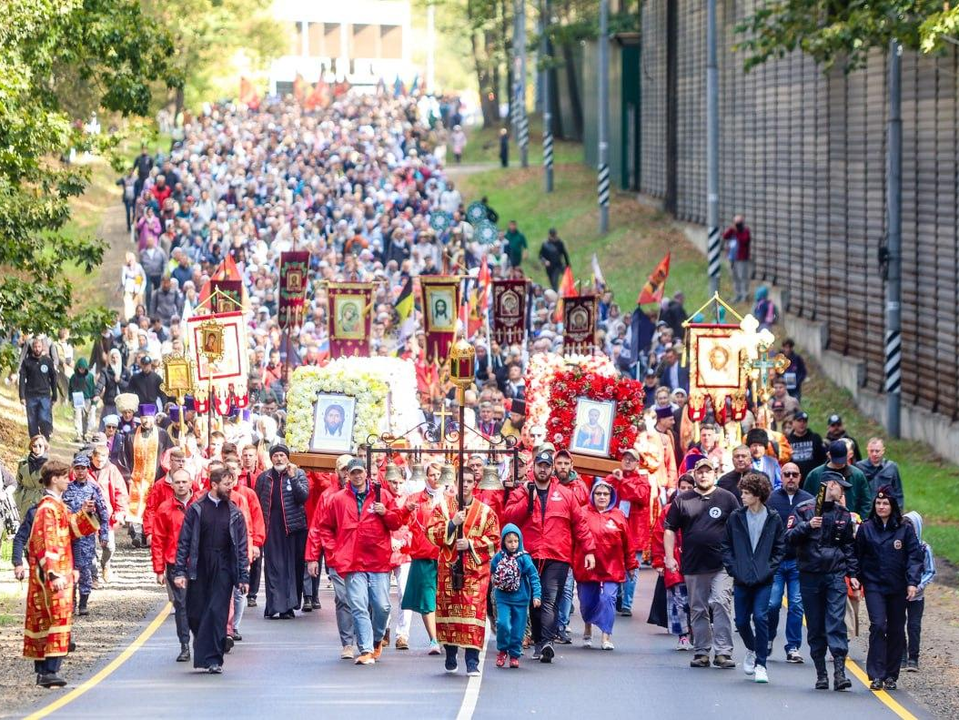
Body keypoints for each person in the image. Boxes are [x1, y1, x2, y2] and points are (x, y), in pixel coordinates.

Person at [312, 458, 410, 665]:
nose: (357, 476)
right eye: (352, 472)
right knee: (357, 605)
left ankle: (376, 639)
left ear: (366, 473)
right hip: (351, 560)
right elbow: (325, 527)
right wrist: (334, 552)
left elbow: (396, 523)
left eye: (360, 472)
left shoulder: (381, 495)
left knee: (382, 606)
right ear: (348, 474)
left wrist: (386, 513)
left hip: (378, 559)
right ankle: (365, 649)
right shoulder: (338, 499)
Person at [503, 450, 596, 663]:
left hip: (557, 554)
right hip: (528, 555)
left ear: (551, 468)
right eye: (540, 465)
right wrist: (528, 498)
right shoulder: (521, 491)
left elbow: (580, 524)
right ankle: (539, 641)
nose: (543, 469)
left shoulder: (565, 493)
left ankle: (547, 642)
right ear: (533, 468)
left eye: (547, 465)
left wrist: (589, 550)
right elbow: (508, 518)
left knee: (549, 599)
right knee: (532, 601)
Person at [23, 460, 100, 687]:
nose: (69, 479)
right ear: (54, 479)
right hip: (53, 574)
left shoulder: (58, 506)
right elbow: (46, 542)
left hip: (57, 572)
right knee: (56, 618)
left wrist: (84, 513)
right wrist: (54, 573)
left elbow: (72, 530)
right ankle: (49, 670)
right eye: (65, 476)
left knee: (48, 619)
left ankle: (45, 670)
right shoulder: (48, 508)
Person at [785, 470, 860, 691]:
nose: (843, 491)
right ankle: (821, 673)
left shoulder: (843, 514)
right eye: (840, 487)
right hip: (809, 574)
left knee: (836, 621)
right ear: (829, 485)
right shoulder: (804, 509)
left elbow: (849, 547)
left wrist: (853, 575)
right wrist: (808, 526)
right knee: (816, 625)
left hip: (834, 574)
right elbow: (788, 538)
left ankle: (839, 672)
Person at [663, 458, 740, 669]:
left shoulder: (727, 498)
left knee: (721, 603)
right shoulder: (683, 500)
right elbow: (670, 529)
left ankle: (723, 651)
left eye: (708, 472)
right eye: (700, 472)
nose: (704, 475)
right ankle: (702, 651)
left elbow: (738, 527)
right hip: (693, 563)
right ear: (695, 474)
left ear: (714, 474)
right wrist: (669, 557)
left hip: (721, 564)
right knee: (698, 608)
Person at [173, 466, 250, 674]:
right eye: (226, 484)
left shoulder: (235, 513)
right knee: (195, 612)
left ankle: (215, 659)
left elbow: (242, 547)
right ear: (214, 485)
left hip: (224, 566)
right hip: (200, 565)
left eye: (231, 484)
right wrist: (179, 571)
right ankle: (204, 643)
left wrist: (243, 576)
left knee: (217, 612)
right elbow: (184, 542)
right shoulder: (196, 509)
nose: (230, 488)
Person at [427, 467, 500, 676]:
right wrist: (452, 524)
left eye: (469, 481)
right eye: (462, 481)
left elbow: (494, 540)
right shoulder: (442, 507)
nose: (466, 485)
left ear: (474, 483)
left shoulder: (486, 512)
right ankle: (450, 654)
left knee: (473, 613)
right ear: (456, 482)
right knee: (449, 612)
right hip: (449, 570)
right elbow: (431, 532)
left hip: (475, 573)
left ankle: (472, 661)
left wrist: (470, 544)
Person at [854, 486, 923, 691]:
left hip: (897, 586)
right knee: (878, 625)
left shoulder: (905, 529)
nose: (881, 506)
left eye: (885, 504)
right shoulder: (866, 528)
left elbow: (914, 557)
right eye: (878, 503)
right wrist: (856, 578)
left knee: (895, 629)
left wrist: (912, 582)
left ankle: (891, 674)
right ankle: (876, 674)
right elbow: (858, 555)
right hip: (874, 584)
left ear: (892, 506)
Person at [721, 473, 785, 684]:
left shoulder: (773, 518)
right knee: (740, 621)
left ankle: (761, 664)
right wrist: (733, 568)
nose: (742, 497)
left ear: (758, 495)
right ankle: (752, 647)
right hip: (741, 578)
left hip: (763, 579)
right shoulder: (736, 517)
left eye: (747, 493)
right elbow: (726, 545)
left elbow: (779, 548)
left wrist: (769, 568)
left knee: (760, 617)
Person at [304, 454, 358, 660]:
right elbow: (317, 527)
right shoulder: (328, 496)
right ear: (336, 472)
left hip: (361, 557)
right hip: (336, 556)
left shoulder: (365, 492)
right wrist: (312, 557)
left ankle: (365, 637)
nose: (346, 473)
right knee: (343, 599)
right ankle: (347, 642)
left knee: (363, 599)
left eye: (349, 469)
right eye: (343, 469)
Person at [575, 479, 637, 651]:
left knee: (608, 598)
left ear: (611, 496)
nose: (602, 497)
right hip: (586, 566)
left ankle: (605, 636)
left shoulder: (618, 516)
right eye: (598, 493)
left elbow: (628, 543)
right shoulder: (582, 513)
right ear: (592, 495)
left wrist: (631, 565)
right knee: (587, 602)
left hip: (612, 566)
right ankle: (588, 625)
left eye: (605, 494)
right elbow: (573, 538)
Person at [765, 461, 813, 664]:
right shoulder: (771, 499)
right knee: (772, 603)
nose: (791, 478)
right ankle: (768, 638)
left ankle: (793, 646)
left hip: (799, 562)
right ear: (781, 476)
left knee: (796, 605)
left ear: (800, 477)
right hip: (776, 561)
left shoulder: (809, 500)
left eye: (794, 474)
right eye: (787, 474)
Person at [254, 444, 309, 619]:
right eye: (276, 455)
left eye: (282, 456)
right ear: (271, 458)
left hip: (293, 528)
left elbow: (303, 497)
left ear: (287, 457)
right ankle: (274, 605)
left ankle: (289, 606)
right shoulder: (264, 478)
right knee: (274, 567)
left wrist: (293, 478)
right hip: (272, 527)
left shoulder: (299, 474)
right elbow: (257, 501)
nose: (279, 459)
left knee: (293, 568)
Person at [399, 460, 445, 654]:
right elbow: (402, 522)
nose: (435, 478)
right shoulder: (415, 498)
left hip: (445, 556)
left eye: (439, 475)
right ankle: (433, 639)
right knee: (428, 599)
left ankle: (447, 637)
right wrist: (405, 511)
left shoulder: (451, 498)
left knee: (445, 599)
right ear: (426, 476)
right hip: (424, 554)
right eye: (432, 475)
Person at [151, 469, 195, 662]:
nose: (181, 485)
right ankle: (184, 645)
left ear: (191, 482)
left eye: (184, 481)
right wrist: (159, 569)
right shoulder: (164, 508)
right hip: (175, 563)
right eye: (177, 482)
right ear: (172, 485)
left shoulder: (200, 505)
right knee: (182, 605)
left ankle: (202, 641)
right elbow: (158, 540)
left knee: (201, 604)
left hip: (199, 562)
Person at [62, 453, 110, 616]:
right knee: (69, 570)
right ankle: (71, 603)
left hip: (86, 536)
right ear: (73, 470)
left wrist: (104, 534)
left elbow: (103, 513)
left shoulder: (93, 488)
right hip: (69, 534)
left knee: (84, 569)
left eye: (83, 468)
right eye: (77, 468)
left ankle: (83, 602)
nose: (80, 472)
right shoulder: (66, 488)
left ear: (88, 470)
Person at [650, 473, 694, 650]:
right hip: (674, 558)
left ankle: (694, 631)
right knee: (678, 599)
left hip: (695, 560)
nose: (685, 491)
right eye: (682, 488)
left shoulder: (701, 506)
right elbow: (659, 535)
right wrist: (660, 561)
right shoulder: (669, 509)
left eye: (689, 488)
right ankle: (682, 635)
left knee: (695, 600)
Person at [121, 404, 173, 546]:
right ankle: (137, 534)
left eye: (149, 418)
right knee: (137, 505)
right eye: (143, 418)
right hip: (136, 478)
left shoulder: (162, 434)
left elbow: (168, 455)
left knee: (153, 506)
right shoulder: (130, 435)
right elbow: (124, 457)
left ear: (154, 418)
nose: (146, 421)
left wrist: (166, 474)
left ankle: (151, 534)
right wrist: (127, 476)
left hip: (156, 477)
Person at [491, 523, 542, 668]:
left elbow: (533, 576)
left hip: (521, 599)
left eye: (516, 541)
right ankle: (502, 650)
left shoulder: (524, 558)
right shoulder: (498, 557)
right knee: (503, 623)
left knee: (518, 629)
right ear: (503, 542)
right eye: (509, 541)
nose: (513, 545)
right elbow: (492, 571)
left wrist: (536, 595)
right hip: (503, 598)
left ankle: (514, 654)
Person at [88, 443, 128, 584]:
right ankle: (93, 576)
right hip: (88, 515)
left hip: (106, 514)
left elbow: (120, 492)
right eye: (97, 460)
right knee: (89, 546)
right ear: (92, 457)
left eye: (103, 460)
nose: (100, 463)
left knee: (109, 547)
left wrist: (120, 511)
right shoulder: (84, 470)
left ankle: (105, 564)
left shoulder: (112, 470)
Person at [902, 512, 936, 672]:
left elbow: (930, 571)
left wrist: (918, 585)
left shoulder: (924, 548)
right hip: (899, 593)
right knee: (897, 624)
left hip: (917, 595)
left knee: (914, 626)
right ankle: (901, 656)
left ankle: (913, 658)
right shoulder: (898, 545)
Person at [803, 440, 872, 519]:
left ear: (848, 456)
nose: (839, 464)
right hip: (820, 522)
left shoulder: (857, 475)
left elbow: (866, 502)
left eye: (842, 460)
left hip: (851, 521)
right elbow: (807, 501)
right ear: (829, 455)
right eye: (836, 460)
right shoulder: (814, 475)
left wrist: (859, 521)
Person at [19, 337, 58, 440]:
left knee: (44, 419)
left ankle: (45, 439)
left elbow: (54, 378)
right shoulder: (27, 362)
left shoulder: (48, 361)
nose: (37, 349)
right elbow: (22, 379)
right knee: (32, 421)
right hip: (30, 396)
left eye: (39, 346)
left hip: (44, 395)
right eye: (35, 347)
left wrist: (55, 395)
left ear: (42, 347)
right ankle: (35, 442)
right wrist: (22, 396)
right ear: (32, 348)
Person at [856, 438, 904, 508]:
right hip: (866, 508)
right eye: (871, 451)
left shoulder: (892, 467)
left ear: (883, 451)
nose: (874, 454)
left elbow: (898, 491)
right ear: (867, 450)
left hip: (886, 508)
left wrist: (899, 510)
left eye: (877, 451)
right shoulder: (859, 467)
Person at [14, 435, 48, 519]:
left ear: (45, 446)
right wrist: (17, 500)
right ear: (31, 447)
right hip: (25, 501)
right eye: (35, 445)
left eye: (40, 445)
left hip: (41, 501)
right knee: (23, 529)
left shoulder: (49, 464)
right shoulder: (23, 463)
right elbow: (18, 483)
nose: (37, 448)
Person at [786, 412, 826, 481]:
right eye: (799, 421)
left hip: (814, 478)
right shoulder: (787, 440)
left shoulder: (815, 438)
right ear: (793, 423)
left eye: (804, 421)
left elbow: (823, 458)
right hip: (794, 479)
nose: (802, 424)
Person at [68, 358, 98, 443]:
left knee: (86, 416)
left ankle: (86, 433)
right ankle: (79, 434)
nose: (81, 370)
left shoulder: (90, 377)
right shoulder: (74, 377)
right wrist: (70, 397)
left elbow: (92, 388)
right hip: (77, 398)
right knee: (77, 416)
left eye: (83, 368)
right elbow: (70, 387)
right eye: (80, 368)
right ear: (77, 368)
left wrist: (94, 400)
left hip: (87, 399)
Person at [722, 214, 751, 302]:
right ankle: (737, 294)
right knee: (735, 277)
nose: (737, 225)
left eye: (739, 223)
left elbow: (744, 240)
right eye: (736, 223)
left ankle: (744, 295)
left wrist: (738, 231)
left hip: (741, 258)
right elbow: (725, 236)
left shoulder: (745, 231)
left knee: (742, 276)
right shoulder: (732, 231)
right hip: (733, 258)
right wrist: (731, 229)